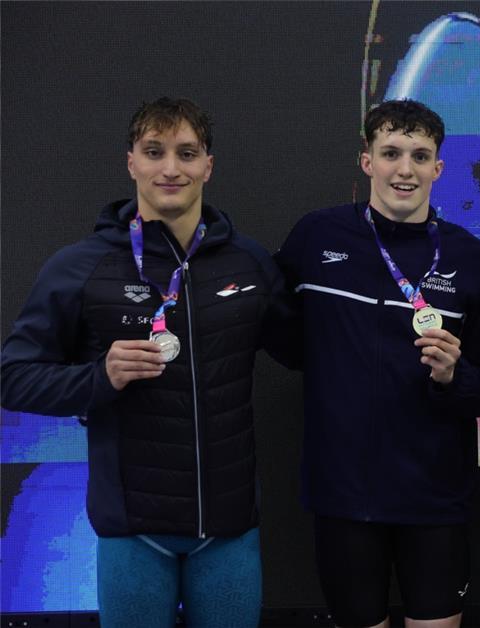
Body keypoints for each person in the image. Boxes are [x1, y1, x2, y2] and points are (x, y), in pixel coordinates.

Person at [1, 97, 292, 628]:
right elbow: (12, 379)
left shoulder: (248, 262)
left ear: (209, 164)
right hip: (135, 534)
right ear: (131, 161)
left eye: (187, 153)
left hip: (226, 532)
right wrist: (99, 377)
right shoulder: (82, 266)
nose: (171, 168)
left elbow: (304, 349)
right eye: (154, 151)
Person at [274, 99, 480, 628]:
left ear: (438, 168)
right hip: (343, 495)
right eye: (391, 153)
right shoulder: (317, 237)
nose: (405, 169)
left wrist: (452, 377)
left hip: (434, 497)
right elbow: (275, 330)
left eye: (420, 156)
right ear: (366, 161)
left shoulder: (471, 260)